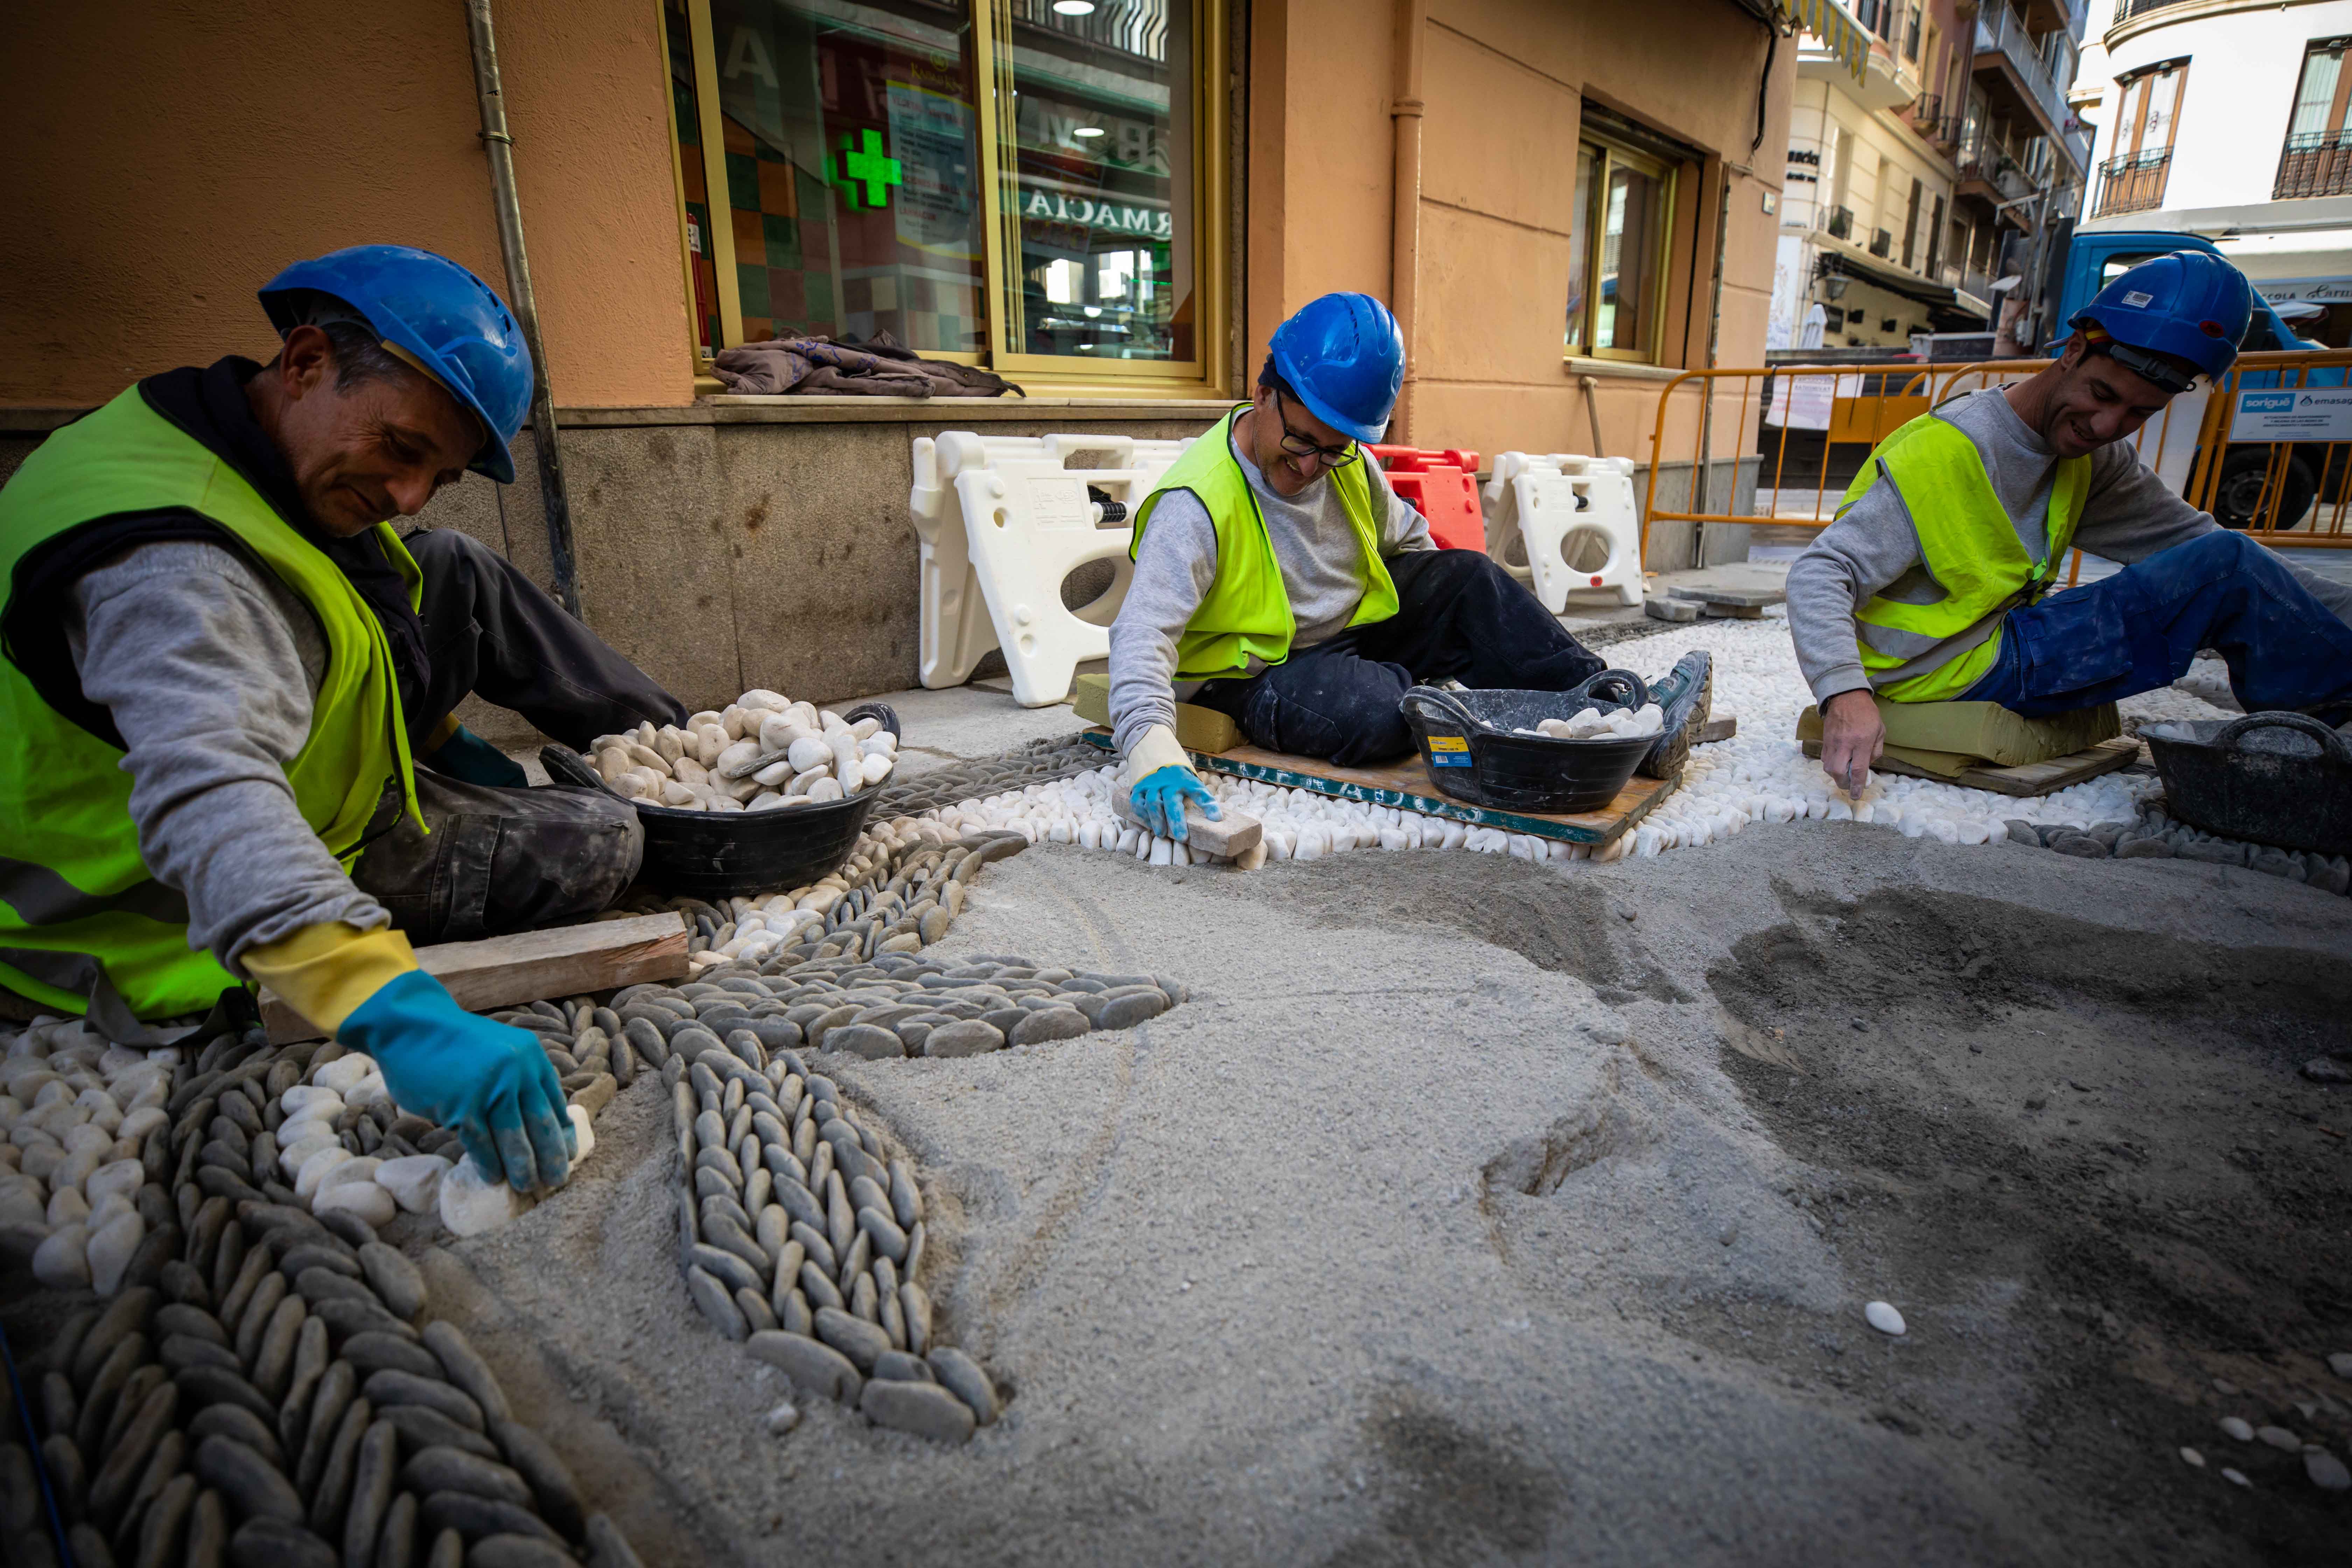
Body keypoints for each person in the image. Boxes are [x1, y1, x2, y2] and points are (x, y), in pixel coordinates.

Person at [0, 245, 690, 1191]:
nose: (406, 495)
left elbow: (356, 610)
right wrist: (403, 1017)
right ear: (306, 363)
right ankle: (649, 823)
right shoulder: (175, 575)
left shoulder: (212, 429)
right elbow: (214, 800)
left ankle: (691, 755)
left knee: (451, 564)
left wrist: (439, 737)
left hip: (295, 749)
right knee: (606, 837)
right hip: (162, 898)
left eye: (436, 474)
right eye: (403, 451)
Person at [1107, 292, 1707, 838]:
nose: (1314, 467)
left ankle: (1625, 717)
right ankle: (1458, 715)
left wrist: (1458, 631)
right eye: (1302, 443)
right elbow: (1140, 638)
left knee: (1469, 579)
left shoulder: (1349, 464)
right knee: (1378, 716)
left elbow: (1415, 550)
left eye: (1335, 450)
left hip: (1355, 635)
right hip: (1258, 675)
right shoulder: (1196, 503)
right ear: (1264, 394)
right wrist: (1152, 752)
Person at [1793, 250, 2352, 795]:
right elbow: (1820, 572)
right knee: (2222, 568)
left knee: (2224, 564)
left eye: (2140, 413)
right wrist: (1846, 694)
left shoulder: (2094, 460)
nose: (2107, 424)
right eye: (2102, 393)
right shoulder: (1952, 450)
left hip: (2002, 644)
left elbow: (2215, 552)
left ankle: (2319, 723)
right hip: (1945, 670)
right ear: (2075, 350)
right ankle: (2322, 736)